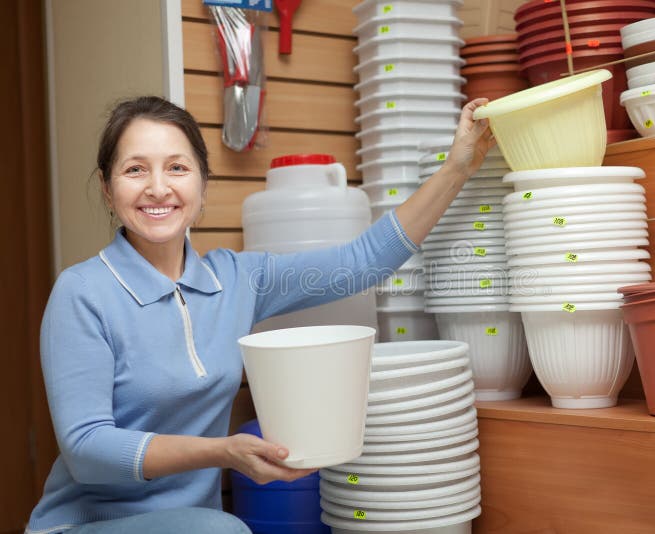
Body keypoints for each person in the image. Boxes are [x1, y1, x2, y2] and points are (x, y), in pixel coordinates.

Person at [26, 95, 493, 534]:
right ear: (108, 190)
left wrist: (458, 167)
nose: (158, 187)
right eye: (134, 169)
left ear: (202, 186)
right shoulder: (83, 292)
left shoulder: (238, 280)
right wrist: (223, 453)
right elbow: (86, 449)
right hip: (83, 524)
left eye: (177, 167)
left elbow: (362, 263)